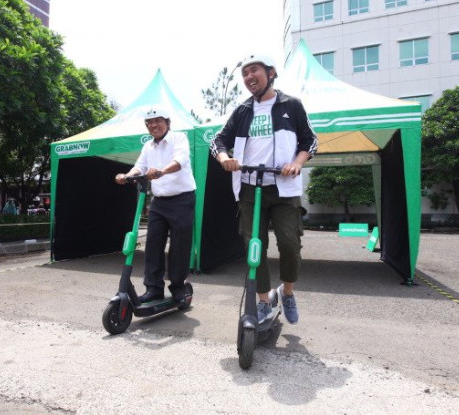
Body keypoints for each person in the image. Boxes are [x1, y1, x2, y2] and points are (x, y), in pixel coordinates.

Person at [210, 54, 317, 325]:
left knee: (290, 245)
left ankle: (287, 292)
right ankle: (263, 302)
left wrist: (296, 162)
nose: (248, 77)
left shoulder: (291, 105)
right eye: (244, 73)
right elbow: (218, 140)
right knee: (253, 248)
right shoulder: (243, 110)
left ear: (271, 73)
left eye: (253, 70)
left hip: (283, 189)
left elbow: (310, 141)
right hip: (249, 187)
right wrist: (225, 159)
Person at [115, 106, 197, 304]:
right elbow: (139, 166)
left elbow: (180, 161)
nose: (153, 125)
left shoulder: (179, 139)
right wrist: (126, 175)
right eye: (149, 123)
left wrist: (161, 171)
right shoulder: (148, 147)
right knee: (153, 244)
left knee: (179, 246)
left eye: (157, 121)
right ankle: (153, 288)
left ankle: (178, 287)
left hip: (182, 199)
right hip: (159, 201)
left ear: (167, 122)